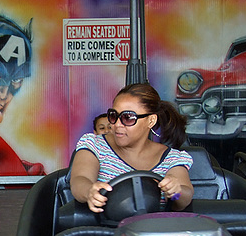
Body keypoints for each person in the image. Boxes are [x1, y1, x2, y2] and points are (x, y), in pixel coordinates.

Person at [70, 83, 194, 213]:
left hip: (154, 231)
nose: (117, 124)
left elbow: (181, 201)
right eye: (113, 116)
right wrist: (89, 191)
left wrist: (176, 192)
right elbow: (80, 180)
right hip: (103, 231)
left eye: (128, 118)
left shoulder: (171, 158)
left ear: (151, 121)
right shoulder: (94, 145)